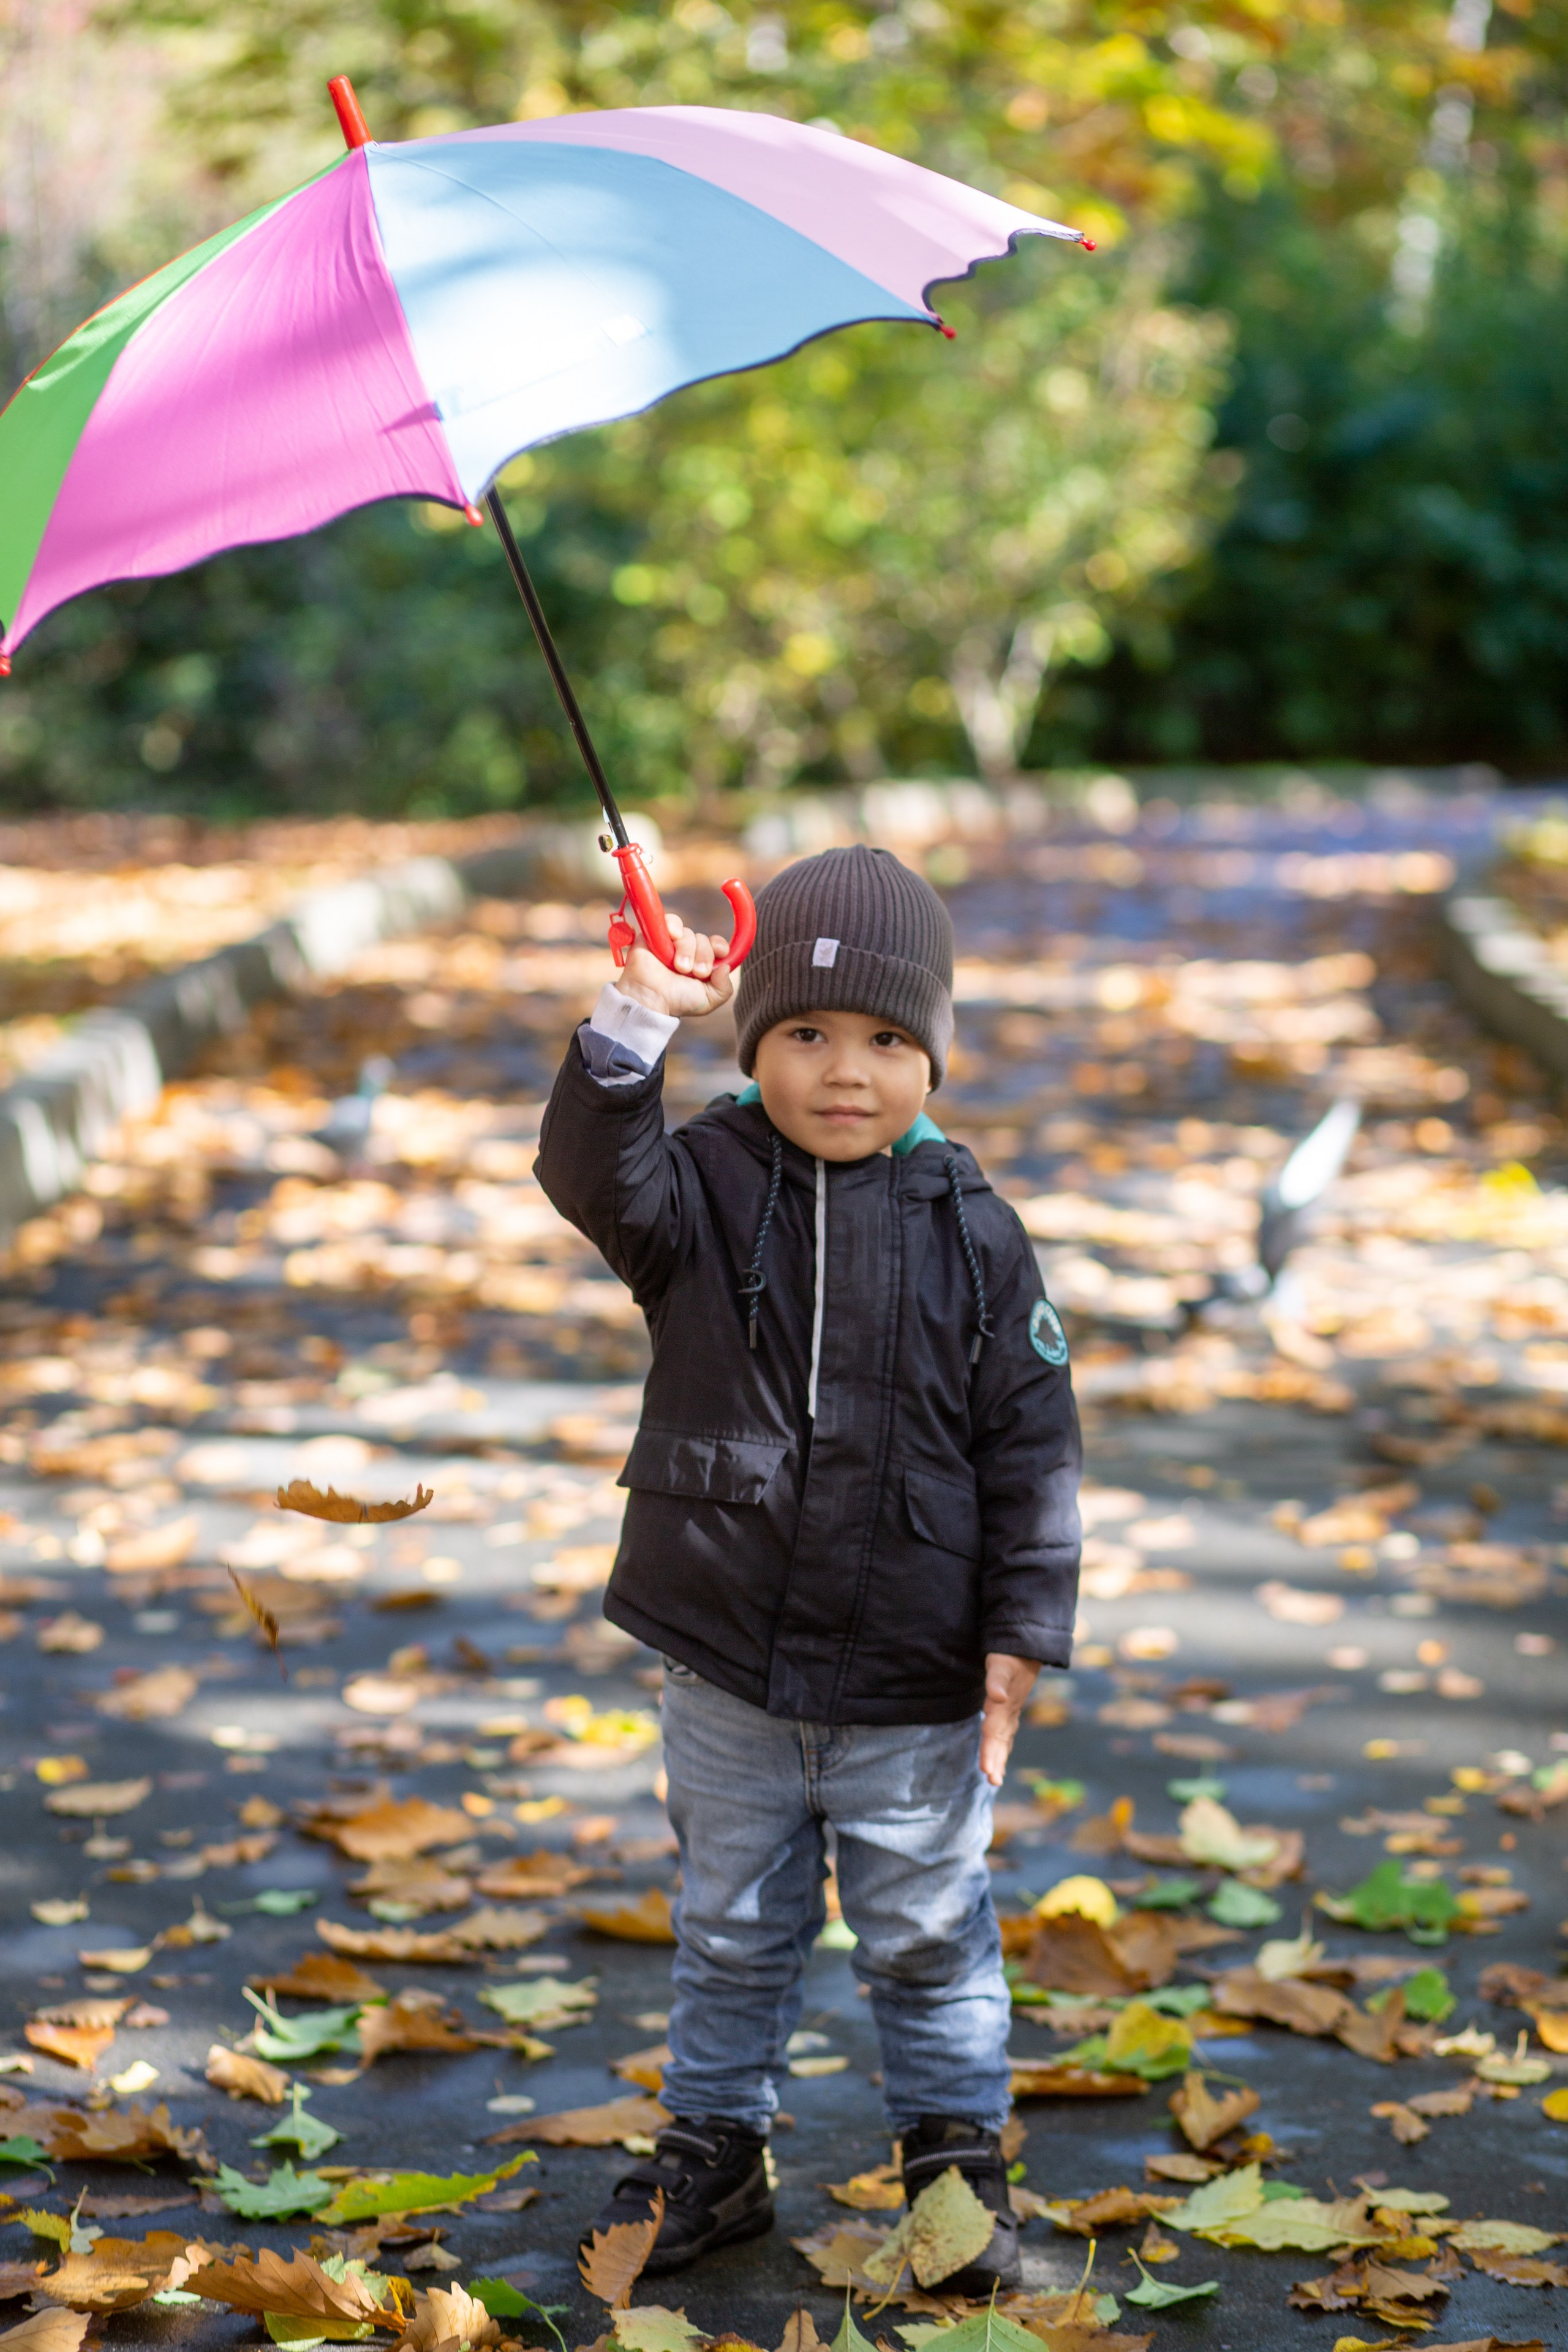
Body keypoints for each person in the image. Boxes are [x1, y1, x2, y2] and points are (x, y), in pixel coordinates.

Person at [536, 844, 1081, 2288]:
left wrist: (1021, 1630)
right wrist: (634, 1020)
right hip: (725, 1657)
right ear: (755, 1038)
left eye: (888, 1041)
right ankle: (716, 2150)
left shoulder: (974, 1234)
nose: (846, 1071)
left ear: (933, 1057)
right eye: (806, 1034)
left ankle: (955, 2178)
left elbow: (1034, 1448)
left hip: (911, 1674)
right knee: (728, 1924)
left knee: (926, 1936)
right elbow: (590, 1171)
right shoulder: (700, 1185)